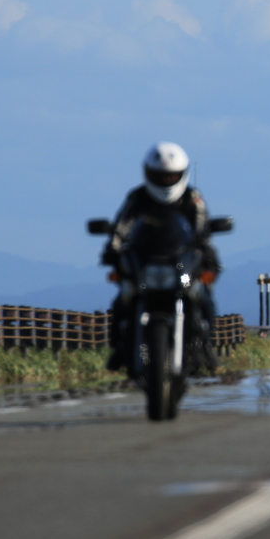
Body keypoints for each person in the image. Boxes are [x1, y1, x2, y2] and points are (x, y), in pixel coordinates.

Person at [101, 142, 221, 375]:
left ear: (182, 174)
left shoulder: (192, 199)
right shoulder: (137, 198)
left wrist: (205, 253)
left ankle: (204, 346)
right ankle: (119, 349)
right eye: (160, 176)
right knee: (122, 301)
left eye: (171, 176)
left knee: (203, 298)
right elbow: (121, 227)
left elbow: (202, 231)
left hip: (180, 264)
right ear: (148, 173)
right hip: (144, 264)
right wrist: (113, 249)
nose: (166, 181)